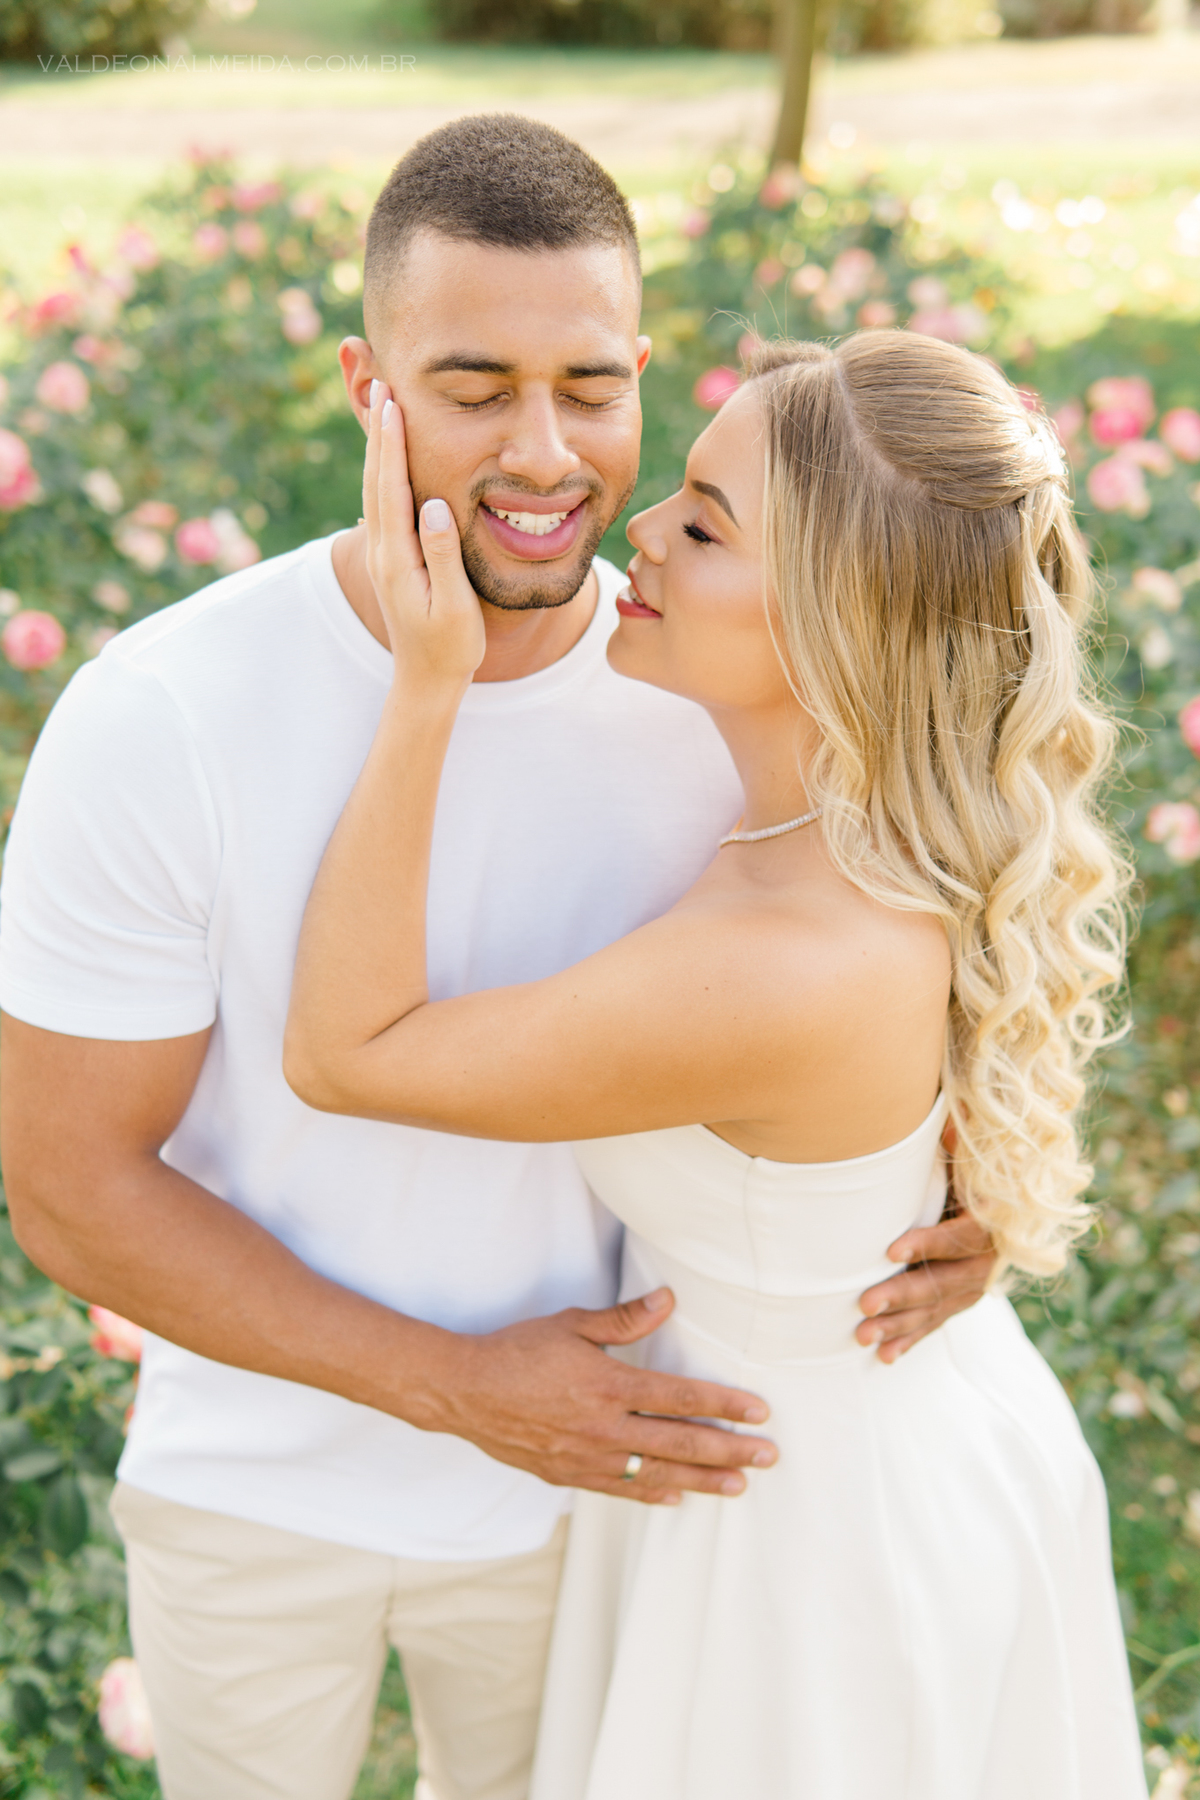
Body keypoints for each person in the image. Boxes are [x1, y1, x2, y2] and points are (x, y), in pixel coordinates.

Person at [0, 119, 993, 1800]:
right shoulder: (163, 711)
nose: (545, 453)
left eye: (590, 386)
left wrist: (956, 1217)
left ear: (643, 377)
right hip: (253, 1490)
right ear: (366, 384)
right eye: (473, 387)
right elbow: (69, 1186)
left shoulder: (712, 694)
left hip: (607, 1500)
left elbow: (874, 982)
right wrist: (455, 1392)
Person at [283, 329, 1147, 1800]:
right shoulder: (880, 819)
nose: (643, 531)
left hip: (811, 1526)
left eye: (706, 522)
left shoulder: (777, 959)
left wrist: (428, 682)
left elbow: (346, 1052)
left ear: (839, 613)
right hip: (856, 1425)